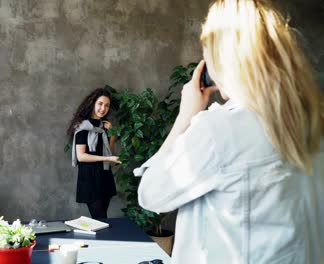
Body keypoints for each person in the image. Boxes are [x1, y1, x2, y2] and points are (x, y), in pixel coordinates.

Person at [135, 1, 324, 263]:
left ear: (222, 61)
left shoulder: (220, 131)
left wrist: (185, 117)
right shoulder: (316, 120)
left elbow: (150, 194)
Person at [67, 88, 122, 219]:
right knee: (100, 219)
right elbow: (81, 156)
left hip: (104, 176)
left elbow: (110, 151)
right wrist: (107, 158)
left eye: (107, 105)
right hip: (90, 178)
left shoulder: (104, 126)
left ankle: (102, 240)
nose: (103, 108)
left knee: (102, 219)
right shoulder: (82, 127)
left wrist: (112, 134)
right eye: (100, 104)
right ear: (92, 103)